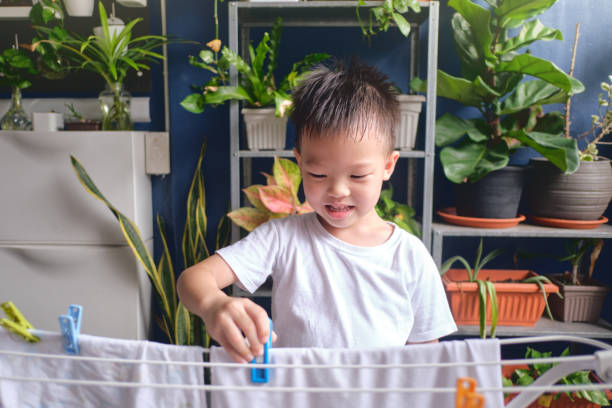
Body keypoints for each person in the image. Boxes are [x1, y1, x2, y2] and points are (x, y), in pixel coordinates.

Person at [177, 60, 457, 364]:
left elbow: (427, 360)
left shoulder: (410, 256)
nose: (338, 190)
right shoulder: (283, 238)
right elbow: (193, 279)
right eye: (319, 175)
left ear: (388, 166)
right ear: (299, 162)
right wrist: (213, 304)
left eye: (358, 176)